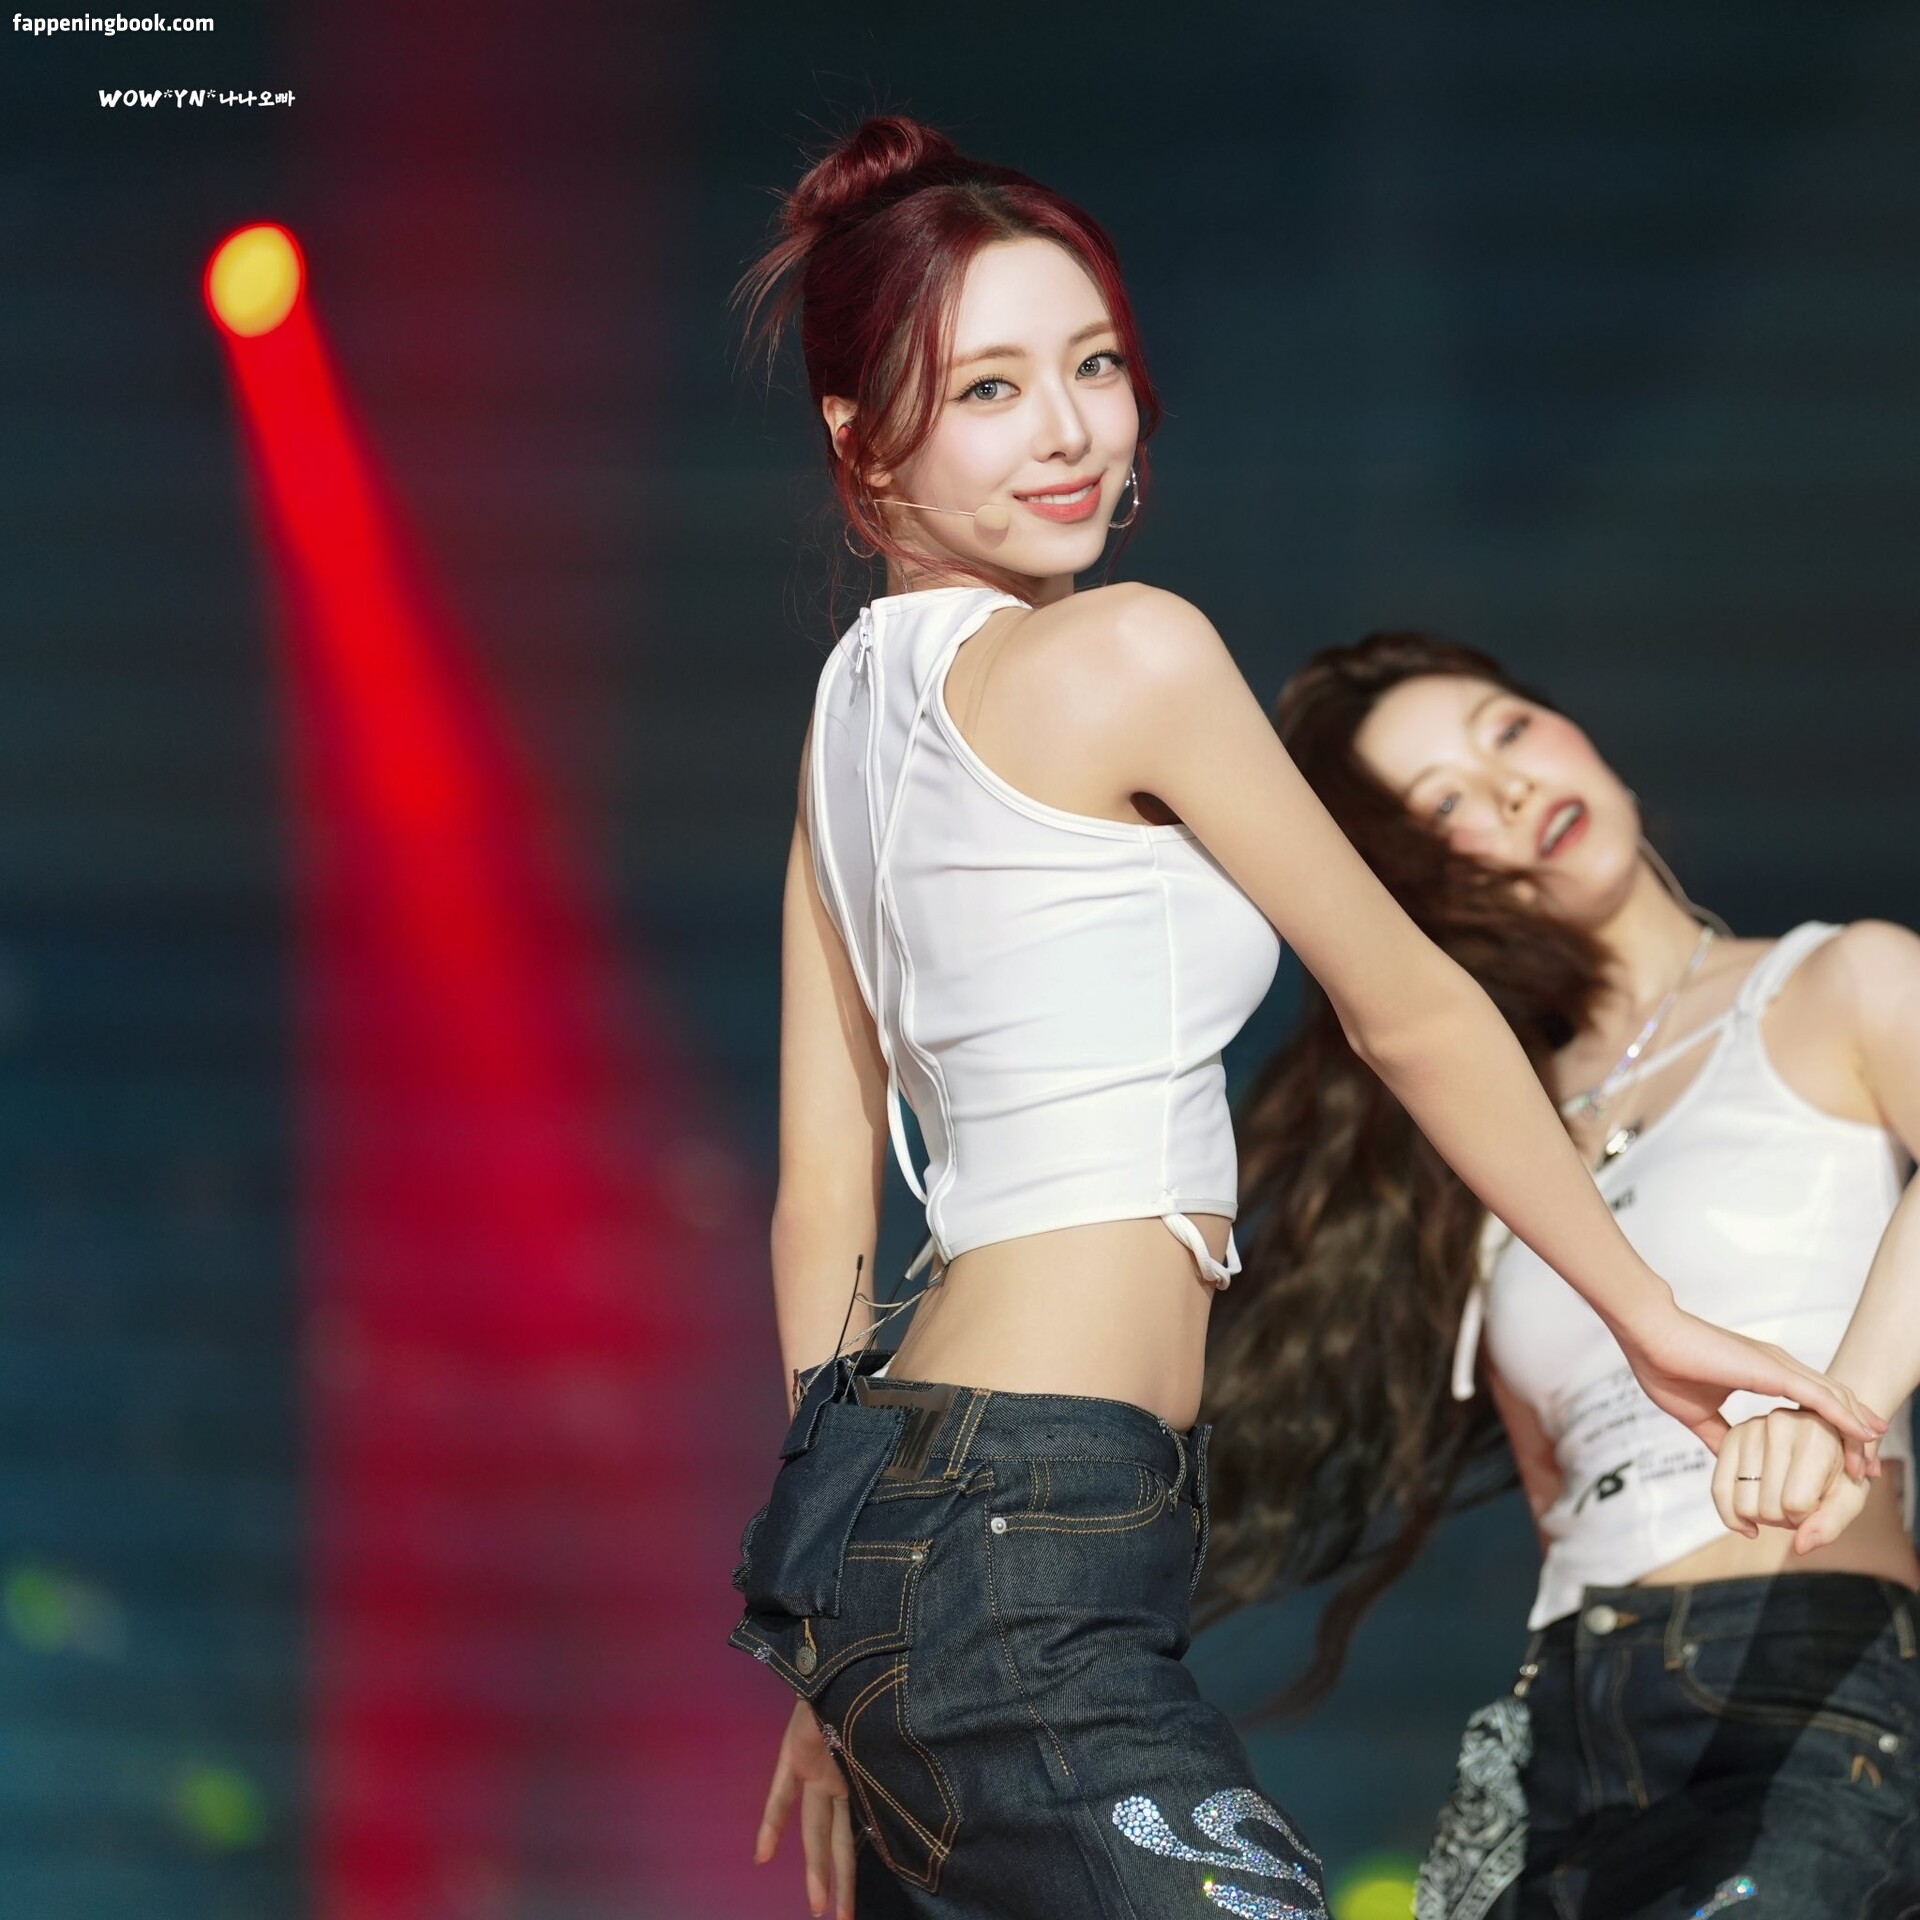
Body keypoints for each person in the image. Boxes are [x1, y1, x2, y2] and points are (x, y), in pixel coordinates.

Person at [726, 119, 1884, 1920]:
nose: (1072, 431)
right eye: (990, 391)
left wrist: (832, 1622)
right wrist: (1644, 1312)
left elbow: (821, 1199)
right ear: (862, 439)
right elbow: (1406, 1006)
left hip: (930, 1536)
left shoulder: (844, 721)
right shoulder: (1128, 650)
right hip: (1029, 1534)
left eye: (1095, 365)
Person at [1205, 631, 1920, 1918]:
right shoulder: (1491, 1144)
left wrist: (1842, 1407)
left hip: (1801, 1679)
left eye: (1508, 731)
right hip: (1565, 1727)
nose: (1510, 787)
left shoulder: (1838, 979)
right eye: (1446, 804)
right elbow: (1554, 1490)